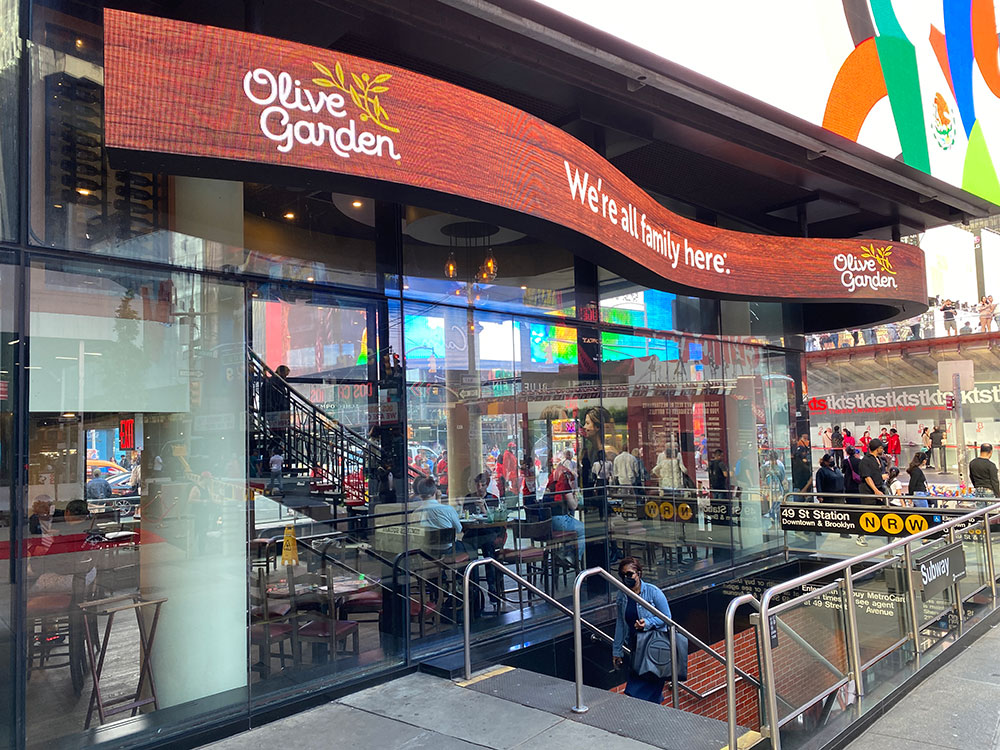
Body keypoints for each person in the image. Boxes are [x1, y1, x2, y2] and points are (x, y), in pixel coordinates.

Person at [611, 557, 672, 704]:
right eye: (623, 575)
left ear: (639, 573)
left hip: (654, 649)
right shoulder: (622, 596)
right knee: (641, 694)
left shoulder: (653, 593)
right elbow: (620, 623)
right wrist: (617, 651)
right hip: (636, 649)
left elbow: (668, 619)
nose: (627, 578)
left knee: (639, 694)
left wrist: (648, 623)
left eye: (630, 574)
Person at [856, 438, 888, 546]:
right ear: (877, 448)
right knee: (867, 513)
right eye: (881, 447)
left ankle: (890, 535)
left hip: (879, 489)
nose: (883, 449)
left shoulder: (879, 459)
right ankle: (860, 536)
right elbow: (867, 477)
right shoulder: (865, 461)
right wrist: (875, 490)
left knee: (884, 511)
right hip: (868, 491)